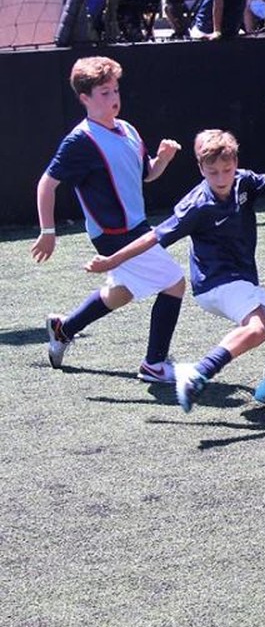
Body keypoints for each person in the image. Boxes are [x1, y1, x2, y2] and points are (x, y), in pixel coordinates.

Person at [85, 130, 265, 412]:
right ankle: (200, 372)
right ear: (201, 168)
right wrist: (111, 261)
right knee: (257, 329)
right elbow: (153, 237)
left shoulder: (244, 182)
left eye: (226, 170)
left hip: (239, 282)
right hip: (216, 284)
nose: (220, 179)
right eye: (212, 172)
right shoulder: (197, 205)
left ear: (235, 164)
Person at [32, 56, 185, 383]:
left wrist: (164, 159)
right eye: (104, 92)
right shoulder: (80, 141)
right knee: (174, 282)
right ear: (84, 98)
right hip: (113, 233)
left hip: (136, 227)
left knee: (122, 292)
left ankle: (64, 329)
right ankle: (154, 365)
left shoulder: (127, 129)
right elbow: (47, 183)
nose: (114, 97)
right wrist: (48, 231)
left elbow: (147, 174)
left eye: (115, 90)